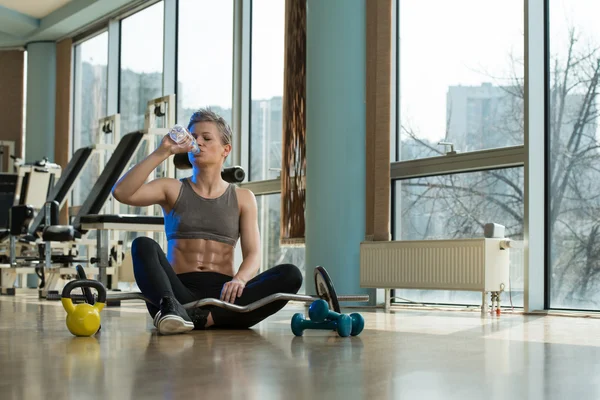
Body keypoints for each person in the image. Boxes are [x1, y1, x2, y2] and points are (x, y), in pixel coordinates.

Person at [112, 109, 303, 335]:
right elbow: (122, 192)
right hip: (176, 292)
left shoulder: (243, 198)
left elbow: (253, 255)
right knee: (142, 245)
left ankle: (205, 319)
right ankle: (174, 310)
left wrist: (240, 280)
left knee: (291, 274)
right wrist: (163, 151)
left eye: (207, 138)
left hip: (224, 296)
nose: (198, 142)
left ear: (226, 150)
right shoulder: (172, 188)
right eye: (194, 137)